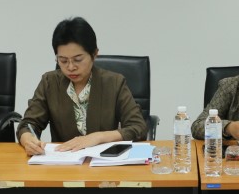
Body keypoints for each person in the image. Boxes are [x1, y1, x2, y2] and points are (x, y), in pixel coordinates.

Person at [17, 17, 146, 155]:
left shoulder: (114, 83)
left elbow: (138, 127)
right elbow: (28, 124)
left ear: (94, 54)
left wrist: (98, 137)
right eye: (63, 60)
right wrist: (28, 140)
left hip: (103, 162)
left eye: (78, 59)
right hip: (63, 162)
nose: (71, 67)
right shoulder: (49, 82)